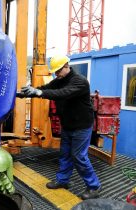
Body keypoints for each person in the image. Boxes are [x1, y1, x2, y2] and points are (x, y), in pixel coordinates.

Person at [16, 55, 101, 200]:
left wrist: (40, 93)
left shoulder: (79, 82)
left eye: (58, 71)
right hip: (68, 124)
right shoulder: (60, 79)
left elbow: (63, 93)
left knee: (78, 156)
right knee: (65, 154)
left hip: (81, 126)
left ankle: (94, 187)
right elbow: (46, 89)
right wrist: (29, 92)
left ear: (66, 66)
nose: (56, 74)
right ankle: (63, 180)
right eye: (55, 71)